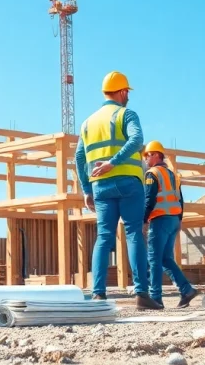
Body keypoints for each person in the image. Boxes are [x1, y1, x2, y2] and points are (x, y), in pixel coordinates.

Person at [76, 71, 162, 310]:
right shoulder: (127, 114)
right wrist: (114, 162)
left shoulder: (87, 122)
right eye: (127, 93)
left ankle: (98, 294)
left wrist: (86, 188)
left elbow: (79, 156)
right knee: (134, 233)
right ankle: (142, 295)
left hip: (100, 186)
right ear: (123, 92)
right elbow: (136, 140)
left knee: (104, 237)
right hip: (127, 182)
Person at [142, 140, 198, 308]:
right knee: (166, 258)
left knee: (154, 259)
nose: (145, 158)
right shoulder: (172, 175)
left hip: (159, 219)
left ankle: (155, 298)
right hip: (173, 220)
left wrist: (144, 220)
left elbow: (149, 199)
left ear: (156, 155)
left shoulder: (152, 174)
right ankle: (186, 290)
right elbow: (180, 199)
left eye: (148, 155)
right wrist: (179, 220)